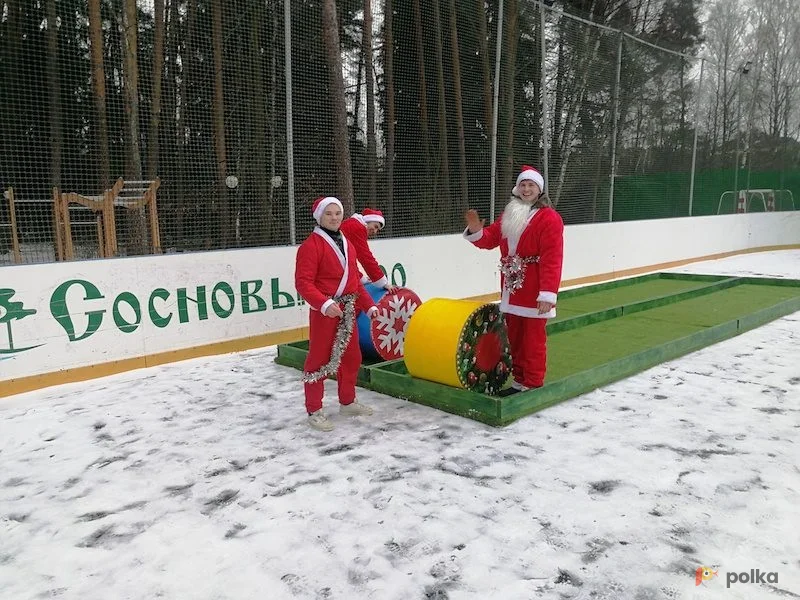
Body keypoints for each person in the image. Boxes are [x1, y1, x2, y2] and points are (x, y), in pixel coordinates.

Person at [463, 165, 564, 396]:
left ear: (539, 190)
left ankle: (533, 383)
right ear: (517, 188)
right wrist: (476, 230)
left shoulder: (550, 218)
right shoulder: (510, 213)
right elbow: (490, 239)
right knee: (515, 338)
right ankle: (520, 382)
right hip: (512, 286)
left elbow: (552, 258)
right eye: (523, 185)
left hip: (534, 288)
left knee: (533, 340)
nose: (526, 189)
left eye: (531, 185)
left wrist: (548, 294)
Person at [295, 196, 379, 431]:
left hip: (348, 312)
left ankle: (347, 401)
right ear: (319, 216)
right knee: (318, 360)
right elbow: (304, 283)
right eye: (329, 213)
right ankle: (314, 409)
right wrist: (323, 304)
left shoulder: (347, 244)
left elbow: (354, 282)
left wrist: (370, 305)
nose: (334, 218)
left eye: (337, 213)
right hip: (325, 314)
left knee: (352, 358)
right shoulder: (310, 246)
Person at [339, 208, 396, 292]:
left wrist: (360, 277)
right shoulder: (358, 228)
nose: (375, 231)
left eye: (378, 230)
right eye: (375, 226)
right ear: (368, 220)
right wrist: (383, 282)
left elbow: (348, 259)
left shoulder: (352, 224)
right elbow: (365, 257)